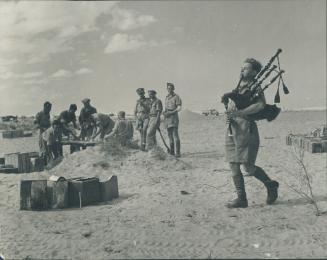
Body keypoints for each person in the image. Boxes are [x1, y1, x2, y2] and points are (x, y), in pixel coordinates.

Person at [224, 58, 279, 208]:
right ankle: (242, 199)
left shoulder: (255, 86)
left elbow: (260, 105)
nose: (242, 70)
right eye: (242, 68)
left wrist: (240, 112)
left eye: (246, 68)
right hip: (232, 128)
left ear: (254, 72)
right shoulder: (238, 87)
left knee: (247, 167)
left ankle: (270, 185)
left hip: (245, 129)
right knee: (233, 164)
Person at [164, 83, 182, 157]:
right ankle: (172, 152)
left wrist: (171, 112)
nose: (169, 90)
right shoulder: (166, 97)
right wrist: (164, 113)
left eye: (171, 88)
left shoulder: (176, 97)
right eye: (168, 88)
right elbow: (166, 107)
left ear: (173, 89)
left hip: (174, 117)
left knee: (175, 135)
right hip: (167, 118)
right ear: (167, 89)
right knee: (169, 135)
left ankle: (177, 152)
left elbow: (179, 108)